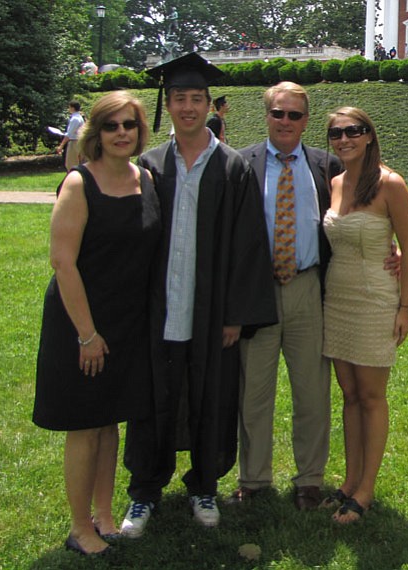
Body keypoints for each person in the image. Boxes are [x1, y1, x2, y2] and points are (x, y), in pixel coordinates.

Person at [121, 52, 276, 536]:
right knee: (152, 400)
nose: (188, 107)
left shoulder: (232, 168)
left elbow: (250, 244)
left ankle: (204, 485)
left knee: (211, 398)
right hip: (158, 310)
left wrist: (235, 315)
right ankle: (144, 491)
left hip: (211, 315)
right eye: (179, 99)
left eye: (196, 98)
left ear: (209, 104)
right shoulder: (147, 166)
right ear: (167, 105)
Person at [231, 82, 399, 511]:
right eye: (278, 114)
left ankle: (310, 479)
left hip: (310, 287)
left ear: (306, 120)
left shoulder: (326, 166)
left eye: (295, 115)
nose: (286, 122)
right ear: (266, 115)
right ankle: (253, 479)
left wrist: (389, 247)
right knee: (254, 392)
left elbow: (355, 214)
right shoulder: (241, 165)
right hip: (258, 292)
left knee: (313, 391)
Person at [33, 91, 161, 555]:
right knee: (86, 425)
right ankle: (79, 527)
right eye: (112, 126)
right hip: (81, 320)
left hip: (127, 322)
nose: (122, 133)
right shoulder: (79, 184)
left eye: (129, 125)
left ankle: (105, 515)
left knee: (110, 423)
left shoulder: (146, 180)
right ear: (97, 133)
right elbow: (62, 263)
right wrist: (87, 335)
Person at [321, 106, 408, 524]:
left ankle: (366, 489)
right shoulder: (335, 182)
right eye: (337, 133)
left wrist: (405, 306)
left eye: (353, 131)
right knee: (349, 394)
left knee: (372, 395)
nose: (345, 139)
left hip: (376, 299)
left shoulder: (390, 184)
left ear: (369, 136)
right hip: (337, 297)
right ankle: (348, 479)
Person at [57, 100, 85, 171]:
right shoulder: (79, 117)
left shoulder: (75, 119)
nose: (68, 109)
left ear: (72, 108)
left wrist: (61, 146)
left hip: (74, 142)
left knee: (71, 164)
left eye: (69, 107)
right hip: (78, 141)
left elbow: (69, 134)